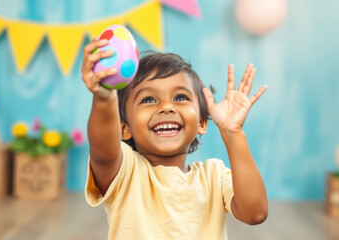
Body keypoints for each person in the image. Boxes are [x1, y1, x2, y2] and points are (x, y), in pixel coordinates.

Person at [82, 38, 268, 240]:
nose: (166, 107)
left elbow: (255, 213)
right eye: (148, 99)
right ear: (124, 129)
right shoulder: (126, 171)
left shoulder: (214, 176)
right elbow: (103, 152)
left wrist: (234, 134)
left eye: (180, 97)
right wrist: (104, 97)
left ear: (202, 123)